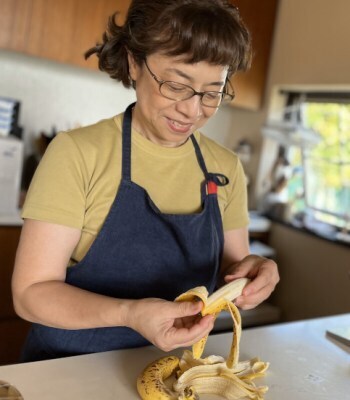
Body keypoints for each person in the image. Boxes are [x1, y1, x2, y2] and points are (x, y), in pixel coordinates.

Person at [12, 0, 279, 362]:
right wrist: (130, 315)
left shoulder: (225, 167)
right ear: (134, 62)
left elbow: (232, 274)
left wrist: (255, 273)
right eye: (176, 85)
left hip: (179, 368)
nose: (193, 109)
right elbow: (30, 294)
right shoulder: (76, 153)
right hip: (66, 365)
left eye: (212, 92)